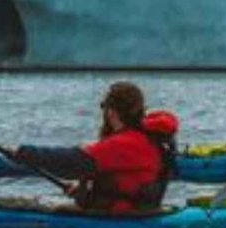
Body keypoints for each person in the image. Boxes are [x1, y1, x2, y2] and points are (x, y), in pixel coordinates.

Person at [11, 82, 179, 213]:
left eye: (104, 107)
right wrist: (85, 192)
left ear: (111, 112)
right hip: (138, 211)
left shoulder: (125, 144)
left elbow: (72, 163)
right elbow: (127, 178)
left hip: (121, 215)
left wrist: (24, 153)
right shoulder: (147, 139)